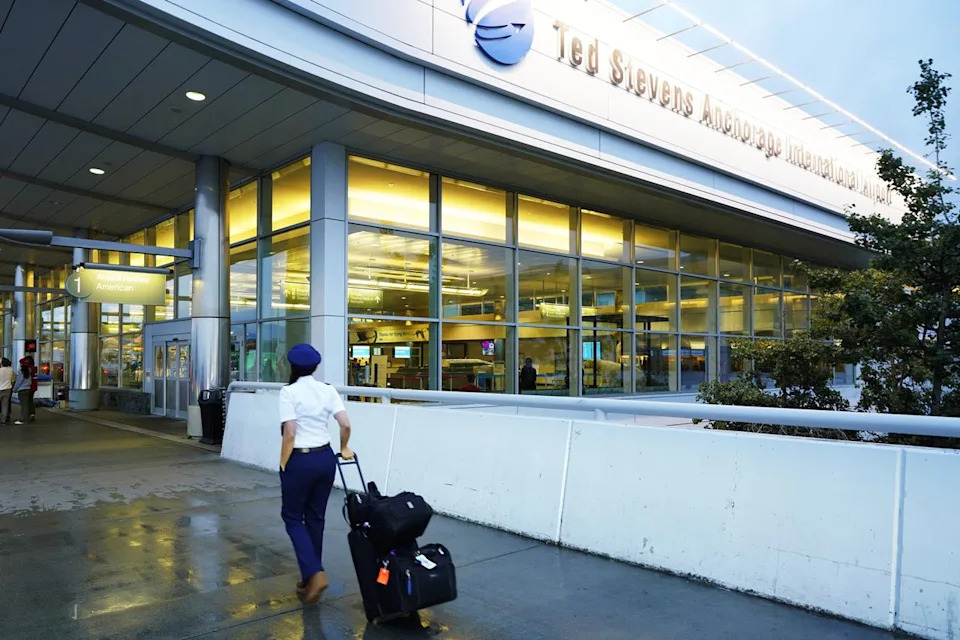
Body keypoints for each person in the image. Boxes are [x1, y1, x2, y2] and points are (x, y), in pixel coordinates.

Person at [277, 343, 354, 606]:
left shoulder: (289, 392)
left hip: (300, 459)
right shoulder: (328, 390)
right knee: (315, 518)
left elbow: (290, 433)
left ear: (293, 366)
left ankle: (315, 573)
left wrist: (283, 463)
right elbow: (345, 424)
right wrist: (344, 448)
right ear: (316, 366)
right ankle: (309, 577)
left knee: (291, 517)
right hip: (325, 459)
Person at [13, 358, 33, 425]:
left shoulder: (21, 372)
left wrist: (15, 389)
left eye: (20, 363)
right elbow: (30, 381)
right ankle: (26, 418)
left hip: (22, 390)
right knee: (26, 405)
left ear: (22, 364)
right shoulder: (29, 371)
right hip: (28, 389)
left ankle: (23, 419)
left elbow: (19, 381)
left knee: (23, 405)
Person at [0, 358, 14, 424]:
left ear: (2, 363)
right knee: (5, 405)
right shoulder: (11, 370)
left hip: (0, 388)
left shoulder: (0, 370)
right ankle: (3, 420)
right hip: (8, 389)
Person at [26, 355, 38, 422]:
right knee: (30, 400)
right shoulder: (34, 368)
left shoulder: (29, 368)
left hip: (30, 386)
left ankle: (29, 414)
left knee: (28, 401)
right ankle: (32, 413)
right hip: (34, 386)